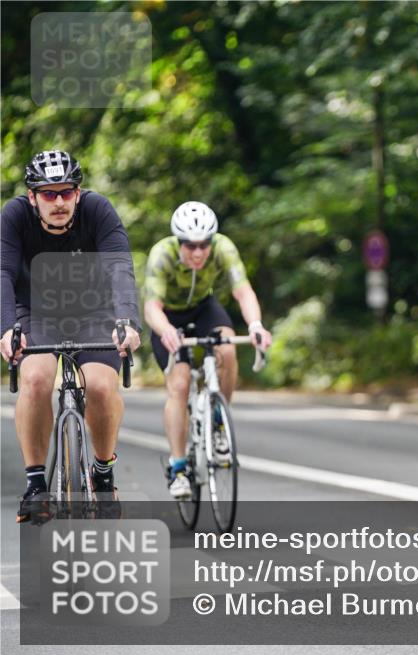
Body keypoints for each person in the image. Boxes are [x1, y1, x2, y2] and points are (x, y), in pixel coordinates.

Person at [1, 150, 141, 524]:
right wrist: (5, 329)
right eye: (48, 194)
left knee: (99, 386)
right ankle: (35, 485)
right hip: (36, 313)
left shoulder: (98, 210)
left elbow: (120, 269)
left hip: (94, 312)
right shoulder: (13, 217)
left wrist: (127, 322)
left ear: (78, 193)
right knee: (34, 379)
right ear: (32, 197)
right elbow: (2, 273)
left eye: (66, 192)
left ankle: (103, 473)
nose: (59, 201)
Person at [144, 201, 272, 500]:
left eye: (204, 245)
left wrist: (255, 324)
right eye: (191, 246)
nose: (199, 252)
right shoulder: (162, 254)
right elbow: (152, 306)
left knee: (227, 349)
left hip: (203, 309)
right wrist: (165, 331)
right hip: (169, 318)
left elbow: (243, 291)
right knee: (180, 383)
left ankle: (218, 421)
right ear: (179, 242)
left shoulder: (223, 248)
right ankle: (178, 468)